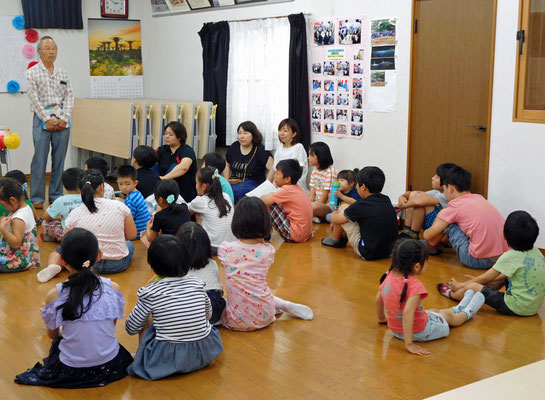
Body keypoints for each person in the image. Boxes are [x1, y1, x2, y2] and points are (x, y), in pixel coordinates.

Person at [15, 228, 133, 387]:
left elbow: (53, 335)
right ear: (99, 255)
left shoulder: (54, 294)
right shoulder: (114, 288)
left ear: (62, 261)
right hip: (110, 365)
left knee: (58, 345)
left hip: (72, 370)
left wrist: (52, 316)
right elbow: (109, 327)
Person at [125, 235, 223, 381]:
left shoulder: (150, 292)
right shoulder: (197, 284)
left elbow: (131, 328)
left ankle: (142, 356)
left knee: (149, 316)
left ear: (152, 267)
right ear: (187, 261)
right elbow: (208, 315)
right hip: (205, 352)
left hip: (167, 359)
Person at [376, 240, 486, 356]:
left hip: (396, 330)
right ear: (417, 266)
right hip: (420, 332)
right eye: (426, 262)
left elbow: (378, 300)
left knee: (435, 311)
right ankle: (468, 311)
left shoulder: (388, 276)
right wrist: (409, 344)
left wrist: (382, 319)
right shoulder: (414, 285)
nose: (427, 265)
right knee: (448, 317)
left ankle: (460, 307)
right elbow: (408, 313)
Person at [219, 197, 313, 331]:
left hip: (236, 321)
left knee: (230, 297)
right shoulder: (268, 251)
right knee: (258, 290)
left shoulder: (226, 249)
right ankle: (283, 304)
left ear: (236, 221)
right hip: (266, 316)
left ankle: (282, 305)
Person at [438, 211, 545, 317]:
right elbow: (499, 276)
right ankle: (477, 289)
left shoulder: (511, 256)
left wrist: (462, 284)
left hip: (516, 307)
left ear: (504, 236)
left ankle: (453, 294)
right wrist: (484, 281)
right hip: (532, 307)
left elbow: (484, 279)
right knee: (498, 278)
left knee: (474, 286)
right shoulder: (537, 252)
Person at [40, 169, 136, 282]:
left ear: (80, 191)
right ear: (102, 187)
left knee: (59, 250)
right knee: (129, 244)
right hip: (116, 264)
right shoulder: (120, 206)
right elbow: (131, 235)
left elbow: (67, 242)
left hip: (85, 264)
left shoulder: (75, 212)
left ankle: (53, 266)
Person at [423, 166, 508, 269]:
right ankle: (437, 245)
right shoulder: (479, 198)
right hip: (502, 258)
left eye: (444, 189)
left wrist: (427, 231)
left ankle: (431, 247)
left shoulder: (454, 207)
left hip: (476, 260)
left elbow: (428, 235)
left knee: (448, 218)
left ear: (450, 188)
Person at [27, 36, 74, 209]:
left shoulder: (62, 72)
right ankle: (37, 197)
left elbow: (69, 95)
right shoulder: (32, 72)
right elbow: (33, 98)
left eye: (54, 48)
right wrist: (46, 119)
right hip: (41, 119)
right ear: (39, 51)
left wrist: (65, 118)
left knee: (59, 159)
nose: (51, 51)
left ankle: (56, 195)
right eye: (47, 48)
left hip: (62, 119)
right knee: (39, 159)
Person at [322, 167, 398, 261]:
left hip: (367, 252)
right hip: (389, 251)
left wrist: (334, 215)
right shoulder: (386, 199)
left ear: (363, 187)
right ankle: (339, 237)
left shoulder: (361, 204)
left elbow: (336, 219)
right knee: (347, 213)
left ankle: (335, 239)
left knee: (343, 209)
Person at [177, 222, 226, 325]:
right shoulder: (212, 263)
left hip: (186, 314)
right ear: (206, 245)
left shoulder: (175, 267)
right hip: (213, 313)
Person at [396, 163, 457, 245]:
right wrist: (402, 197)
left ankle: (413, 234)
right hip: (435, 227)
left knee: (420, 202)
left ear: (446, 182)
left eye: (436, 177)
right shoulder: (437, 192)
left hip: (442, 232)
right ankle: (407, 231)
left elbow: (418, 202)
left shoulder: (447, 195)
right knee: (415, 195)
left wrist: (402, 205)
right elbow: (412, 193)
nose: (432, 178)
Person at [261, 159, 313, 243]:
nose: (274, 176)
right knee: (274, 201)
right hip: (305, 233)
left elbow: (265, 200)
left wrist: (266, 195)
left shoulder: (287, 189)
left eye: (277, 174)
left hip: (295, 235)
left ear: (287, 179)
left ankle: (263, 233)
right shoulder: (297, 188)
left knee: (270, 204)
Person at [223, 121, 274, 203]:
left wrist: (266, 187)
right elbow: (227, 164)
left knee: (236, 191)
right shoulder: (235, 146)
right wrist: (226, 180)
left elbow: (273, 168)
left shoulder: (260, 149)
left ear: (253, 135)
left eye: (245, 133)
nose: (242, 136)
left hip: (253, 184)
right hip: (234, 182)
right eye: (239, 133)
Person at [188, 167, 235, 254]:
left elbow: (186, 210)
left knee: (196, 215)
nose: (196, 185)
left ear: (204, 186)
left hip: (213, 247)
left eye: (197, 183)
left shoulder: (201, 201)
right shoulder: (226, 196)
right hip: (232, 245)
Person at [0, 178, 40, 272]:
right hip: (28, 258)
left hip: (17, 261)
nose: (3, 207)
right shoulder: (25, 206)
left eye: (3, 204)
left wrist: (3, 228)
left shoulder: (18, 219)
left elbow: (16, 244)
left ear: (13, 200)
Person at [155, 121, 198, 202]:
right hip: (164, 186)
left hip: (183, 190)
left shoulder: (186, 150)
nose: (166, 137)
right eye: (166, 133)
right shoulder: (162, 149)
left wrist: (163, 179)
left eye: (170, 135)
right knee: (153, 167)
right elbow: (149, 159)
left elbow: (184, 167)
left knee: (174, 166)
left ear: (180, 137)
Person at [140, 179, 191, 247]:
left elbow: (151, 239)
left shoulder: (160, 216)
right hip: (188, 245)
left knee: (143, 237)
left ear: (160, 199)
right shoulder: (184, 207)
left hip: (172, 250)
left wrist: (148, 226)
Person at [267, 118, 309, 193]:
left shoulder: (298, 147)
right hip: (280, 186)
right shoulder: (279, 149)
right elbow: (276, 171)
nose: (281, 133)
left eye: (285, 131)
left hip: (295, 186)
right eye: (280, 130)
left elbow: (300, 172)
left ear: (294, 134)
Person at [42, 167, 82, 242]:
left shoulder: (60, 200)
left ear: (64, 185)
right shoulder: (89, 197)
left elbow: (46, 216)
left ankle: (53, 237)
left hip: (68, 235)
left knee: (45, 223)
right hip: (89, 233)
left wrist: (58, 217)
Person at [116, 165, 151, 239]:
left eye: (127, 184)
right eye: (120, 184)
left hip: (137, 233)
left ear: (135, 183)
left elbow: (127, 219)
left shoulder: (131, 199)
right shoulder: (137, 193)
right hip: (144, 229)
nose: (124, 187)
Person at [308, 142, 337, 222]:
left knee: (313, 207)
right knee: (299, 202)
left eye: (311, 155)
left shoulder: (330, 172)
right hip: (316, 202)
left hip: (328, 206)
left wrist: (308, 206)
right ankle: (314, 216)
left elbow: (323, 200)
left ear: (320, 157)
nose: (308, 158)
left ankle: (316, 216)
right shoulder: (314, 171)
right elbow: (312, 196)